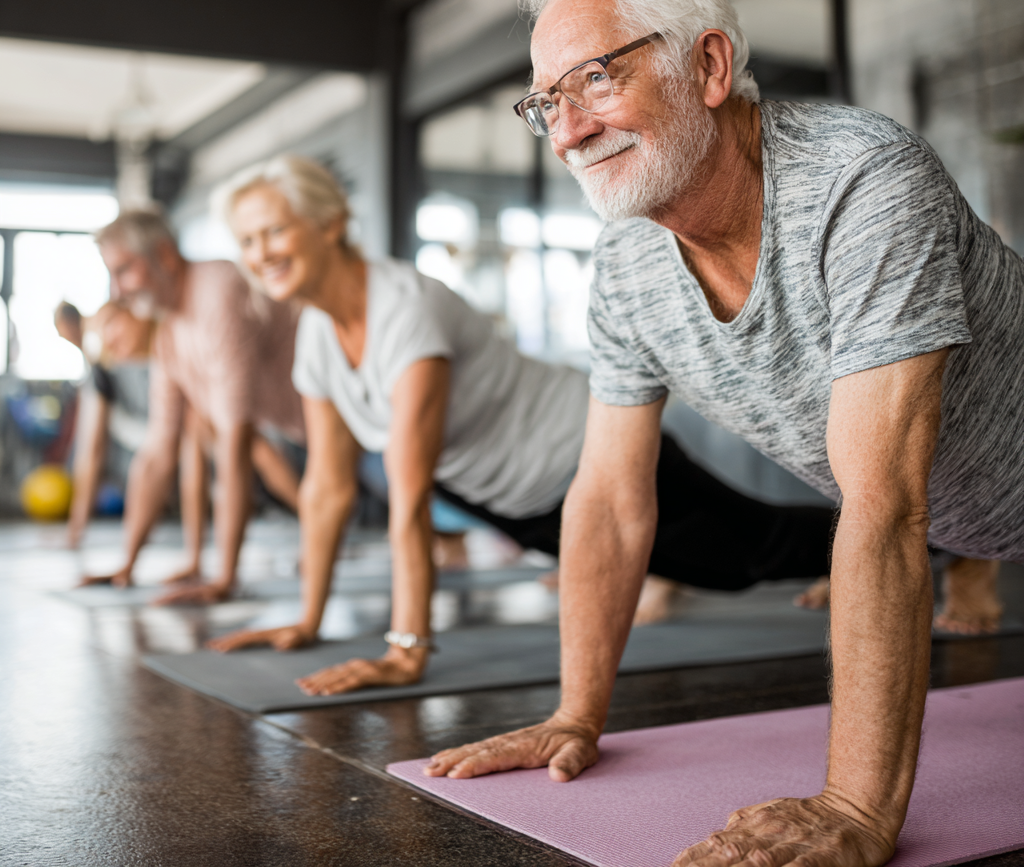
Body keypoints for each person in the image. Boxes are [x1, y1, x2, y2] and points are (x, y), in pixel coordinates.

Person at [420, 0, 1024, 866]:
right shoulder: (626, 267)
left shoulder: (861, 181)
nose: (569, 130)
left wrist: (858, 810)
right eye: (546, 103)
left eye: (593, 80)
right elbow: (613, 500)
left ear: (708, 65)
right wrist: (576, 713)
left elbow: (884, 504)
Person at [203, 155, 837, 694]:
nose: (259, 254)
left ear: (331, 224)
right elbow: (327, 487)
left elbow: (410, 496)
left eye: (273, 231)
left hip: (581, 450)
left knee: (750, 556)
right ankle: (878, 547)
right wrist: (306, 620)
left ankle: (918, 542)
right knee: (720, 565)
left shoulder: (404, 311)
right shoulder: (318, 331)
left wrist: (407, 649)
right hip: (513, 498)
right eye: (247, 242)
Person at [81, 209, 305, 603]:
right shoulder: (169, 326)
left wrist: (224, 580)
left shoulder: (217, 291)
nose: (117, 291)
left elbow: (236, 443)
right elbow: (157, 451)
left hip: (351, 417)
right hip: (302, 426)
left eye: (125, 271)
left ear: (165, 256)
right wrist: (127, 564)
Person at [65, 302, 154, 548]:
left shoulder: (168, 349)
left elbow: (92, 450)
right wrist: (75, 531)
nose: (111, 339)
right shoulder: (101, 372)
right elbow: (91, 449)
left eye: (112, 325)